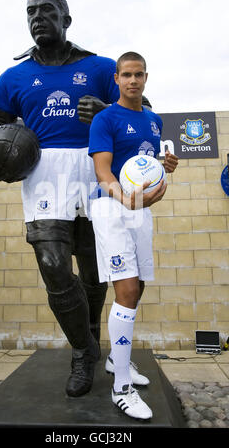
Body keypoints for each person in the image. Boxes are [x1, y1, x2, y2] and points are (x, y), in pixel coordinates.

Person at [0, 0, 155, 398]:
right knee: (53, 263)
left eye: (47, 10)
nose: (37, 17)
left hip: (95, 166)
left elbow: (143, 108)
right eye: (31, 12)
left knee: (96, 271)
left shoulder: (100, 67)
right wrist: (1, 158)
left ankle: (98, 338)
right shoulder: (13, 77)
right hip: (45, 171)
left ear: (66, 18)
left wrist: (106, 110)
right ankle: (83, 353)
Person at [88, 51, 178, 419]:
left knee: (137, 287)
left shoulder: (154, 120)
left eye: (139, 74)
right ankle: (121, 386)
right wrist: (125, 199)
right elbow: (103, 172)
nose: (133, 81)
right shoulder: (105, 118)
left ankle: (114, 359)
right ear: (116, 79)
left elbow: (148, 166)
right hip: (111, 209)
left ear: (146, 77)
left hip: (140, 211)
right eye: (126, 75)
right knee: (124, 291)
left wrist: (165, 167)